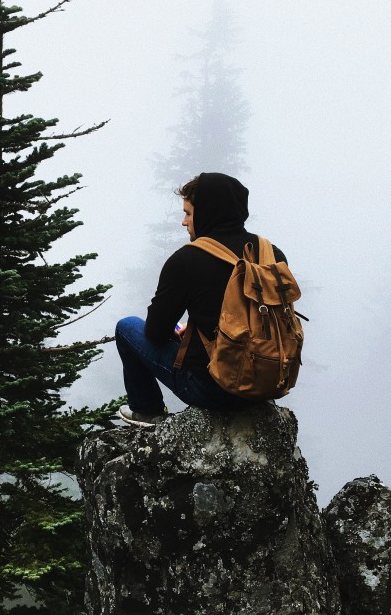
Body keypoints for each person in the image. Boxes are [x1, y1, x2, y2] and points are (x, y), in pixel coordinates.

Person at [116, 171, 287, 427]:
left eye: (188, 213)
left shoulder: (187, 259)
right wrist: (196, 327)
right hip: (267, 384)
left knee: (127, 327)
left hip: (212, 390)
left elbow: (155, 332)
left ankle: (146, 411)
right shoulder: (271, 253)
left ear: (207, 212)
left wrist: (179, 333)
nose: (184, 222)